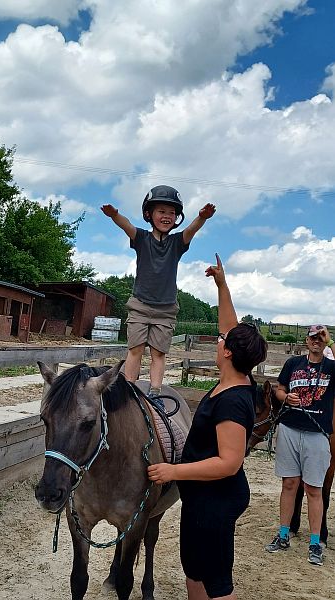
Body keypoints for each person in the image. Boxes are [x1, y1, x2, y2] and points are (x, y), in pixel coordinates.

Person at [148, 253, 267, 599]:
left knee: (216, 581)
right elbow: (229, 326)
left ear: (228, 353)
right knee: (194, 569)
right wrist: (222, 285)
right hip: (201, 496)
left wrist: (174, 471)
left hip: (216, 499)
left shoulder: (232, 401)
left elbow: (229, 463)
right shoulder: (237, 377)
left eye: (221, 341)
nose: (219, 340)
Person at [101, 185, 215, 400]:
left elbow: (191, 230)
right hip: (140, 305)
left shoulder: (177, 243)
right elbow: (127, 226)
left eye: (172, 213)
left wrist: (202, 218)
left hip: (166, 309)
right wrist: (114, 215)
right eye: (161, 211)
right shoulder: (142, 238)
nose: (167, 216)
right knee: (135, 349)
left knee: (158, 353)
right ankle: (129, 391)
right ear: (149, 214)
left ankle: (155, 393)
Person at [265, 324, 335, 566]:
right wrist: (285, 397)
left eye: (320, 338)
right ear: (306, 340)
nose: (316, 341)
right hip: (290, 429)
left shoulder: (331, 367)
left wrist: (331, 341)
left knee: (314, 489)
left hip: (317, 433)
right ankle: (283, 534)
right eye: (313, 337)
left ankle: (315, 542)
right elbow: (280, 389)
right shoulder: (293, 364)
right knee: (289, 484)